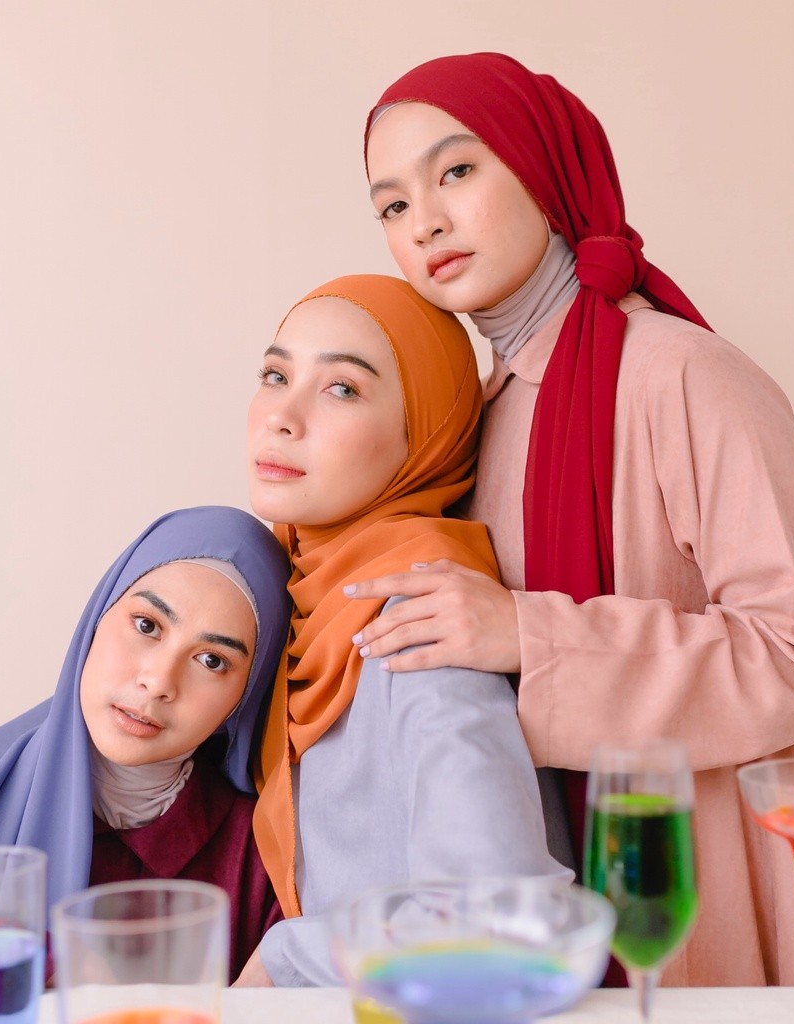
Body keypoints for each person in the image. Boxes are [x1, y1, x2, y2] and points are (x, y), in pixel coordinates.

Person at [350, 52, 794, 986]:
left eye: (456, 170)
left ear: (544, 171)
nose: (424, 221)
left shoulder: (685, 376)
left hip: (696, 899)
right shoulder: (471, 419)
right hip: (538, 913)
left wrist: (528, 635)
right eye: (391, 205)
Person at [241, 274, 569, 987]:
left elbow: (501, 928)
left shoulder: (421, 633)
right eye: (275, 376)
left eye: (342, 389)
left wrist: (282, 961)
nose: (282, 418)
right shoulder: (302, 603)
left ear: (425, 440)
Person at [0, 505, 291, 983]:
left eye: (212, 660)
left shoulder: (267, 859)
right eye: (147, 625)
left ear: (245, 696)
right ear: (96, 620)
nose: (158, 681)